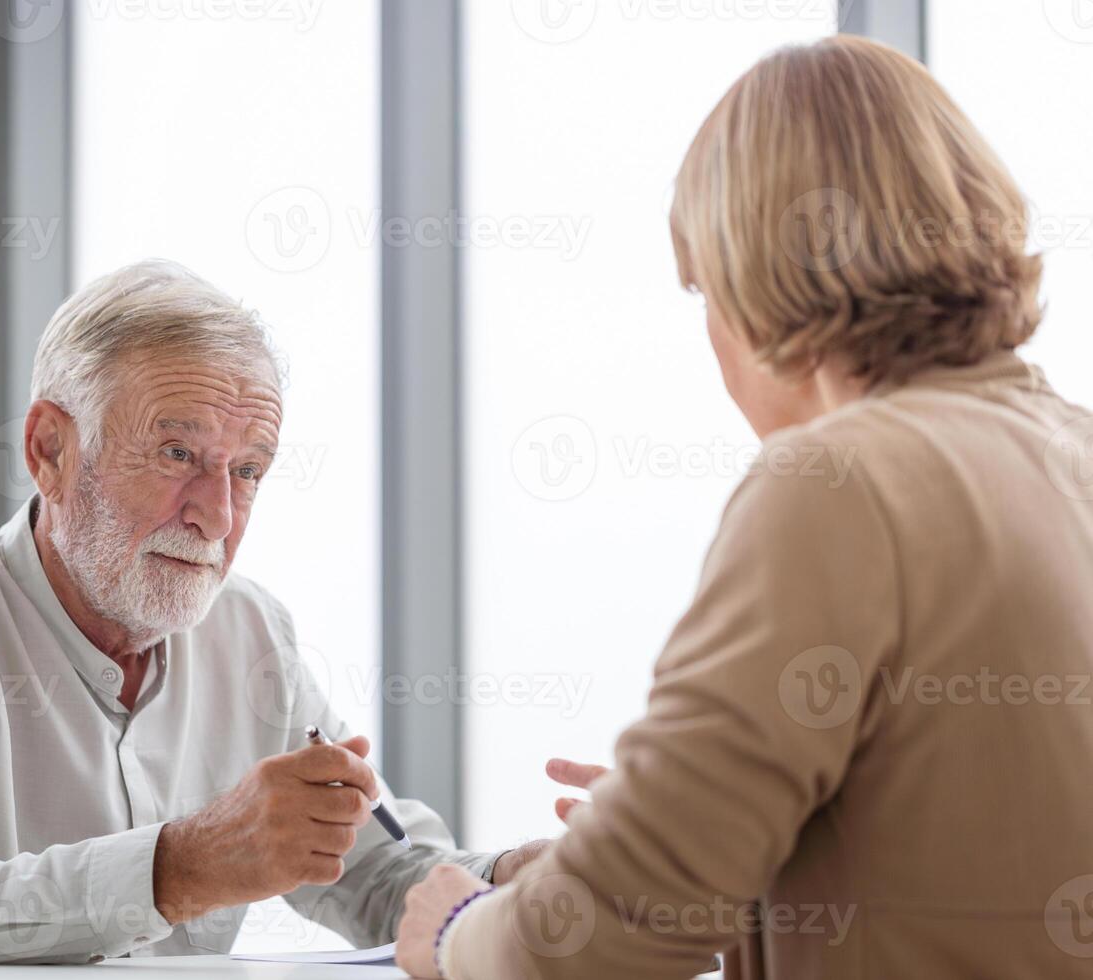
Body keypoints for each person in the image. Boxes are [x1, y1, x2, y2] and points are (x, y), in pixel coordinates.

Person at [396, 35, 1093, 980]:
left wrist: (458, 929)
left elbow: (619, 929)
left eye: (703, 294)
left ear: (751, 282)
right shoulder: (1068, 451)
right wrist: (706, 838)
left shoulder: (837, 484)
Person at [0, 260, 544, 967]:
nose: (215, 514)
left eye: (247, 471)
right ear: (49, 451)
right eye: (178, 455)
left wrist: (524, 881)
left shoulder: (249, 632)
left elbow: (378, 874)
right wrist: (174, 869)